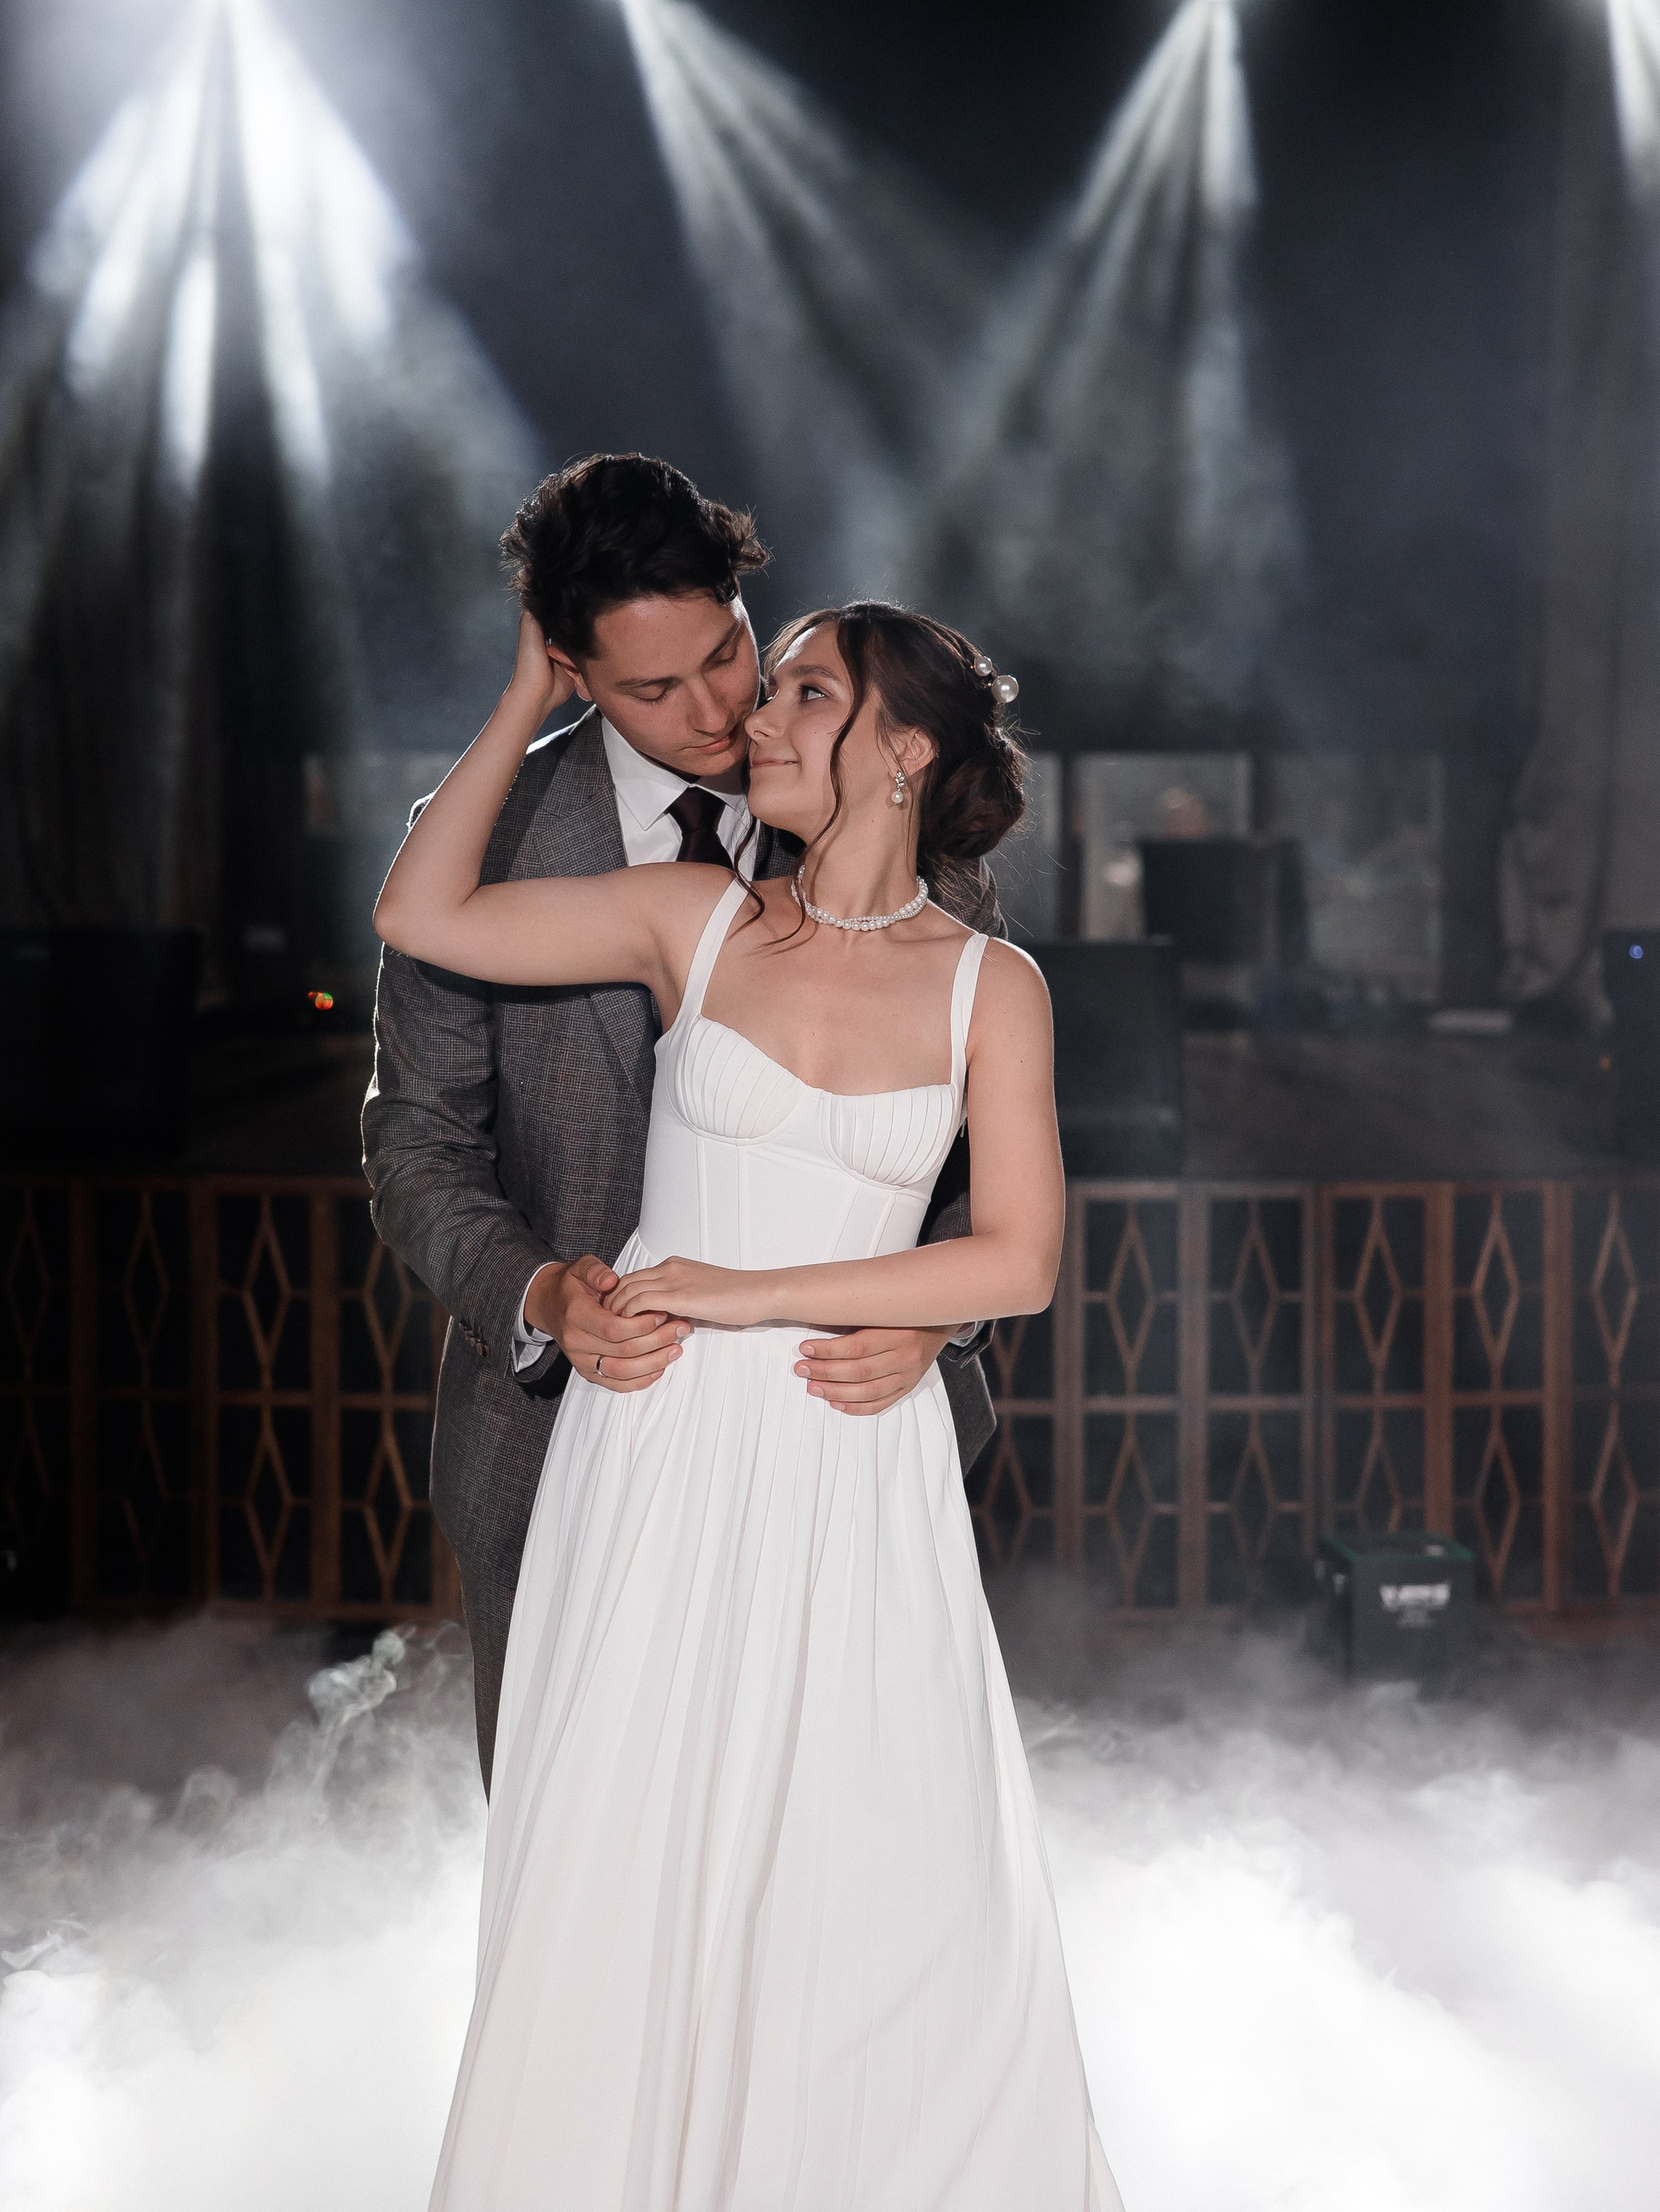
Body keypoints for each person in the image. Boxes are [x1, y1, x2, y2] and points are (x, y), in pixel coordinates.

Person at [374, 594, 1121, 2209]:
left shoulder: (993, 987)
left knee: (872, 1869)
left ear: (903, 750)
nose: (754, 720)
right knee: (620, 1858)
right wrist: (523, 698)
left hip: (849, 1453)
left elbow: (1019, 1259)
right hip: (651, 1443)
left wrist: (761, 1291)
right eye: (766, 688)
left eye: (802, 694)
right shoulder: (690, 920)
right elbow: (422, 911)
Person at [361, 455, 999, 1787]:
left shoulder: (877, 796)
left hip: (846, 1432)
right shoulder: (482, 840)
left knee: (843, 1841)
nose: (717, 713)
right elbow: (416, 1144)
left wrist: (935, 1318)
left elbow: (971, 1159)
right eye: (655, 689)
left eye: (727, 654)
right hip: (566, 1432)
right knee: (584, 1854)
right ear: (573, 672)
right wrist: (541, 1292)